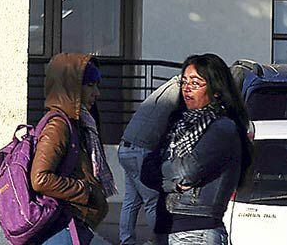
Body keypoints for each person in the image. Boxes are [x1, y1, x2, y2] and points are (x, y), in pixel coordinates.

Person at [149, 54, 252, 245]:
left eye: (196, 83)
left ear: (216, 90)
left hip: (196, 231)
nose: (187, 88)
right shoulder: (178, 123)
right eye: (184, 82)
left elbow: (188, 171)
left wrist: (164, 170)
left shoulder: (222, 128)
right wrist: (174, 185)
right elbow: (146, 170)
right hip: (166, 226)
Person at [30, 53, 109, 244]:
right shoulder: (58, 125)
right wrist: (85, 190)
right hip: (64, 228)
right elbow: (40, 179)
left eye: (97, 85)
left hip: (74, 226)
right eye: (90, 85)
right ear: (71, 87)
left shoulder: (80, 124)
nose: (96, 93)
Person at [119, 74, 181, 245]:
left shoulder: (166, 88)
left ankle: (126, 241)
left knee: (131, 201)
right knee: (153, 200)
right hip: (140, 149)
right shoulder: (180, 92)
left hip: (125, 147)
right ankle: (158, 241)